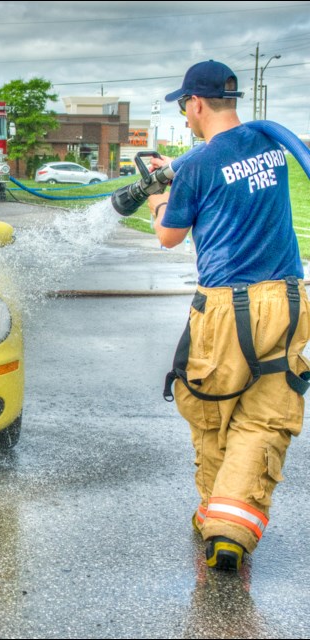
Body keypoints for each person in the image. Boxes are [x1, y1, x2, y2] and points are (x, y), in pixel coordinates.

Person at [147, 60, 310, 571]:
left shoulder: (197, 163)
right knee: (264, 415)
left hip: (225, 308)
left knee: (213, 412)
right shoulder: (272, 148)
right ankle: (231, 528)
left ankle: (215, 513)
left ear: (195, 103)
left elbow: (169, 236)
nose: (186, 115)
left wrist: (157, 196)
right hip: (286, 299)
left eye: (184, 106)